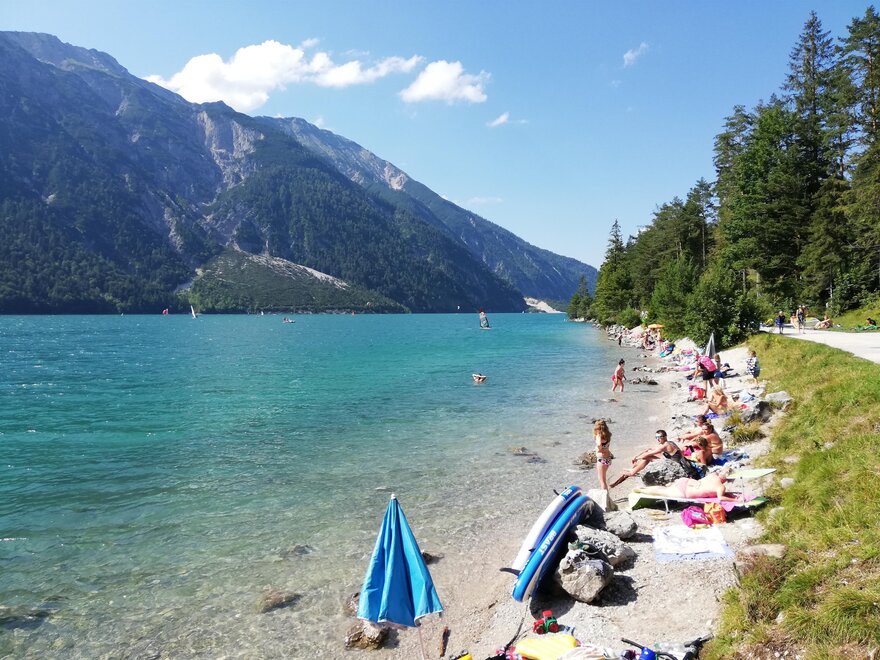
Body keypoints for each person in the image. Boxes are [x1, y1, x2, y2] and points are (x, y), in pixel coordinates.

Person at [609, 429, 699, 487]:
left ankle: (633, 471)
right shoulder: (667, 443)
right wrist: (636, 456)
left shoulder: (665, 445)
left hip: (676, 465)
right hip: (672, 462)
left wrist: (637, 459)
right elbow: (649, 449)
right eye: (656, 437)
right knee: (647, 456)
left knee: (648, 457)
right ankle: (632, 471)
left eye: (659, 437)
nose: (657, 439)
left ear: (665, 437)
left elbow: (650, 453)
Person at [636, 469, 739, 501]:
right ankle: (641, 490)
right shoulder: (721, 487)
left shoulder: (713, 475)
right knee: (663, 492)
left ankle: (644, 488)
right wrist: (735, 500)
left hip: (686, 482)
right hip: (685, 491)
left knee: (664, 488)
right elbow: (721, 498)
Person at [594, 419, 613, 491]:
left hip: (601, 459)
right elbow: (606, 446)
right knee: (604, 479)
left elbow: (599, 444)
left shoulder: (599, 435)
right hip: (608, 458)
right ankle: (606, 494)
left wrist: (599, 449)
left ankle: (604, 496)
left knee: (602, 480)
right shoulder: (608, 435)